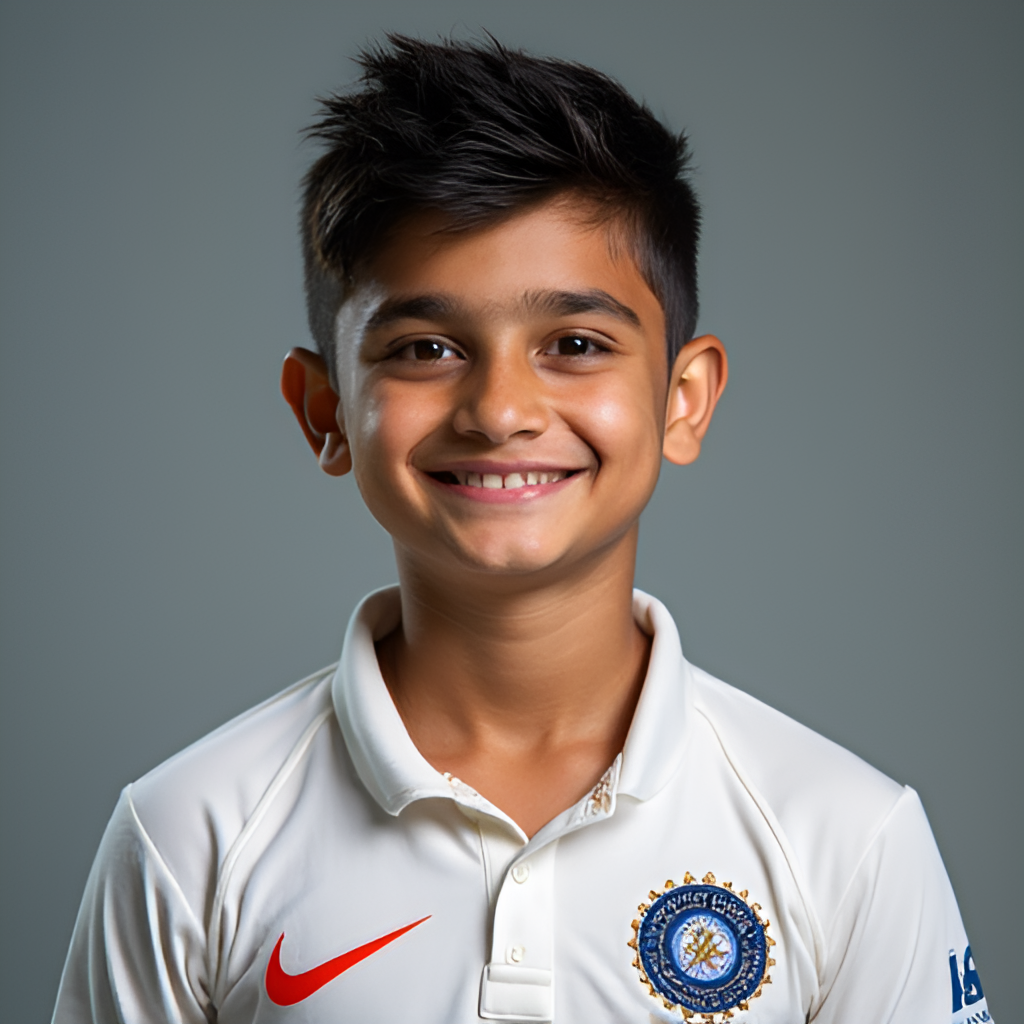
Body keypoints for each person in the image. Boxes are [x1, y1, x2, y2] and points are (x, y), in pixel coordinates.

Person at [52, 35, 992, 1024]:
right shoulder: (187, 834)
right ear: (324, 410)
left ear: (683, 398)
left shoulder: (843, 834)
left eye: (575, 345)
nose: (500, 410)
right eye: (425, 347)